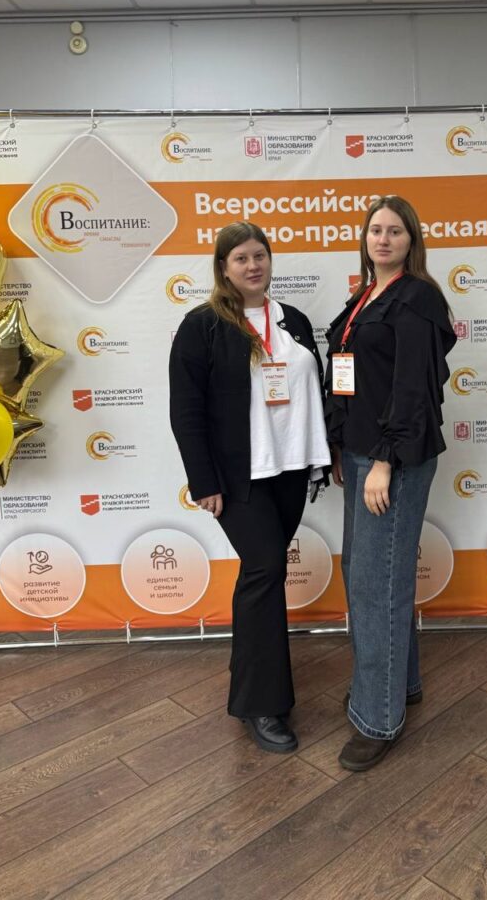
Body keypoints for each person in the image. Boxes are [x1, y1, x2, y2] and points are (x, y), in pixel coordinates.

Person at [169, 221, 330, 754]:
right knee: (265, 570)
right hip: (238, 479)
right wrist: (204, 481)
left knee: (262, 575)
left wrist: (322, 457)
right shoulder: (203, 326)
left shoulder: (294, 320)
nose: (252, 265)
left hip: (290, 469)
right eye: (240, 258)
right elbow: (185, 410)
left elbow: (313, 388)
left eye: (259, 255)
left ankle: (248, 673)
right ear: (223, 268)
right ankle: (262, 704)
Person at [325, 195, 456, 771]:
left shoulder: (417, 297)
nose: (383, 238)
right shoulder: (364, 298)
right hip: (360, 454)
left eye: (395, 231)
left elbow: (412, 388)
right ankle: (400, 685)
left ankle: (378, 718)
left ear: (411, 240)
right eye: (375, 230)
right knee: (368, 572)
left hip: (393, 459)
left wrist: (383, 461)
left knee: (377, 584)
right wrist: (341, 446)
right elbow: (350, 380)